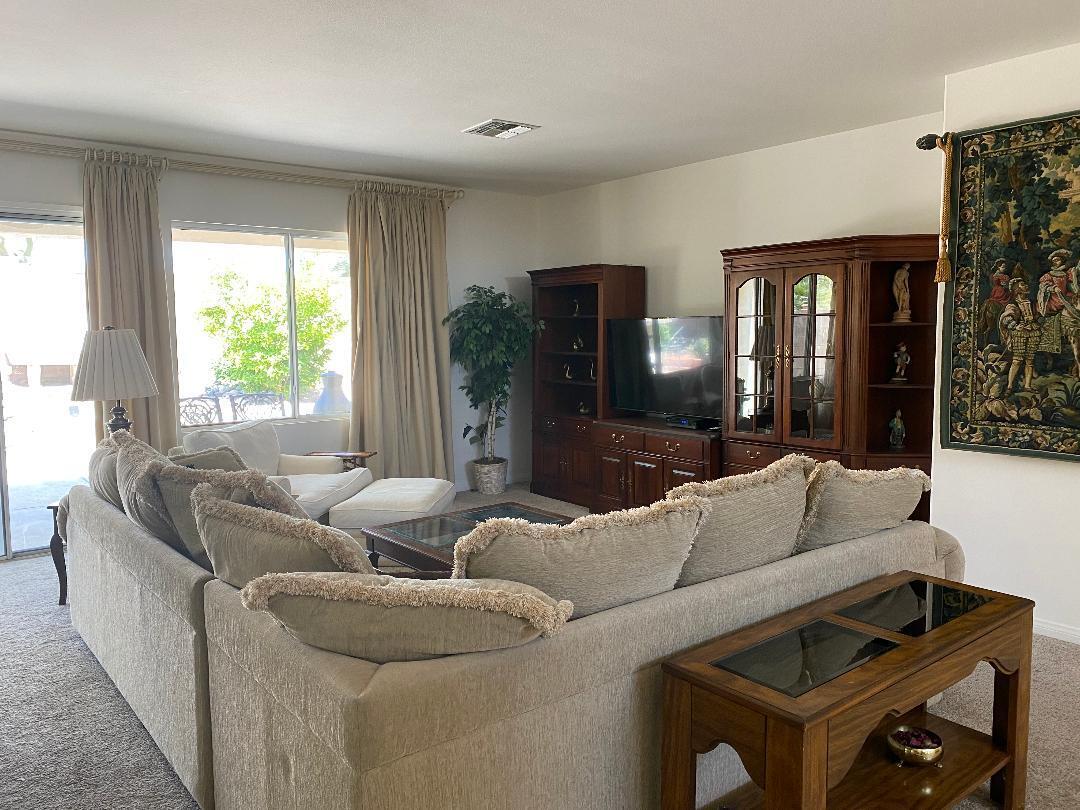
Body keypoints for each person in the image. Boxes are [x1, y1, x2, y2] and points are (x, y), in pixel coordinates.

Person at [1036, 248, 1080, 377]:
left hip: (1065, 297)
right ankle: (1049, 355)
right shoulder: (1048, 275)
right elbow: (1043, 286)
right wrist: (1052, 288)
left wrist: (1074, 287)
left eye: (1058, 260)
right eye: (1054, 260)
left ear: (1062, 261)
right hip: (1053, 300)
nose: (1056, 262)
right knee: (1047, 321)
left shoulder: (1066, 274)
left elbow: (1071, 287)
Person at [999, 278, 1040, 391]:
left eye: (1025, 284)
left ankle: (1027, 386)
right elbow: (1006, 318)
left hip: (1034, 332)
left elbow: (1038, 315)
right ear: (1016, 289)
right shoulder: (1013, 304)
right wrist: (1015, 326)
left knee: (1030, 361)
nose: (1026, 286)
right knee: (1017, 360)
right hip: (1020, 334)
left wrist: (1036, 319)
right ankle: (1010, 386)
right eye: (1022, 284)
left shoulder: (1032, 302)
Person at [977, 258, 1012, 339]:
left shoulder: (1002, 276)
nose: (1004, 268)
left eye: (1004, 267)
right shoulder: (996, 276)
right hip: (999, 292)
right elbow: (995, 283)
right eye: (1002, 267)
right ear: (998, 267)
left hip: (1000, 291)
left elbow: (1006, 284)